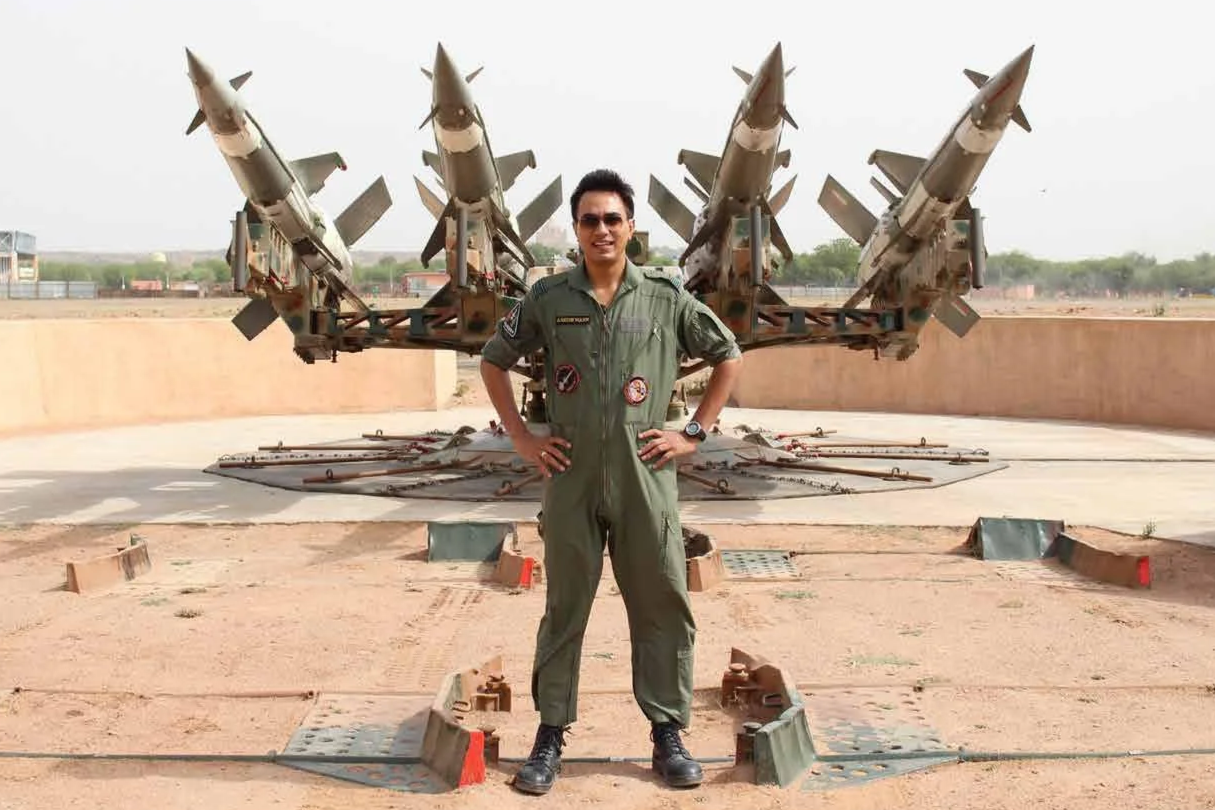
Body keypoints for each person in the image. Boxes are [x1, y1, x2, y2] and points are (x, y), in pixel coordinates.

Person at [479, 168, 742, 794]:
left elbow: (727, 352)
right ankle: (549, 737)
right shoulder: (549, 298)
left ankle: (667, 734)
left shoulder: (664, 294)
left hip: (645, 474)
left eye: (612, 219)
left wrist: (694, 433)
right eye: (590, 219)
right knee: (564, 606)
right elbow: (494, 359)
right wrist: (521, 436)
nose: (602, 229)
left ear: (630, 228)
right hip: (570, 475)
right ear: (576, 229)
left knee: (661, 605)